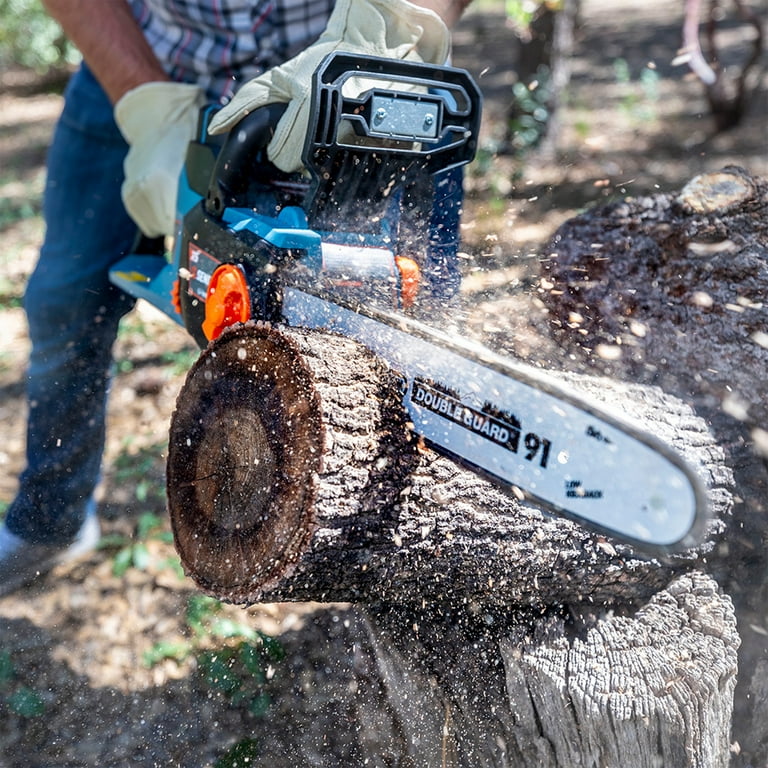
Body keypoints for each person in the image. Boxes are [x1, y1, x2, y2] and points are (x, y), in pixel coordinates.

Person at [0, 0, 473, 596]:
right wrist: (151, 110)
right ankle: (50, 519)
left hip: (349, 82)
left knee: (420, 313)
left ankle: (416, 538)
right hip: (151, 54)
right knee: (64, 297)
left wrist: (392, 40)